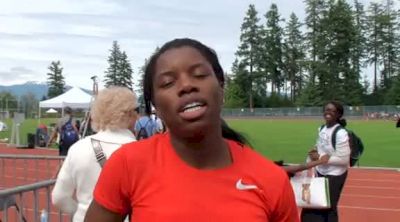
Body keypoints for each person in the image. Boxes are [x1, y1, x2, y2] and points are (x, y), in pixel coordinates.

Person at [84, 38, 299, 222]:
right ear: (155, 106)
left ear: (221, 88)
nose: (186, 86)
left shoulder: (271, 180)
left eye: (199, 75)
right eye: (168, 83)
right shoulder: (128, 164)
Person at [52, 87, 138, 222]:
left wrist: (81, 212)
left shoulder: (78, 148)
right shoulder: (140, 151)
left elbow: (59, 197)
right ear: (129, 115)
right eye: (135, 111)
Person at [301, 101, 350, 222]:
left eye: (332, 111)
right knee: (318, 205)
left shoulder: (341, 133)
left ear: (338, 115)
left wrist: (320, 157)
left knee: (330, 207)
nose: (328, 113)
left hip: (335, 175)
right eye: (327, 110)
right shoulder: (321, 128)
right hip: (320, 172)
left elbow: (344, 160)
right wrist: (312, 155)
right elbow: (319, 147)